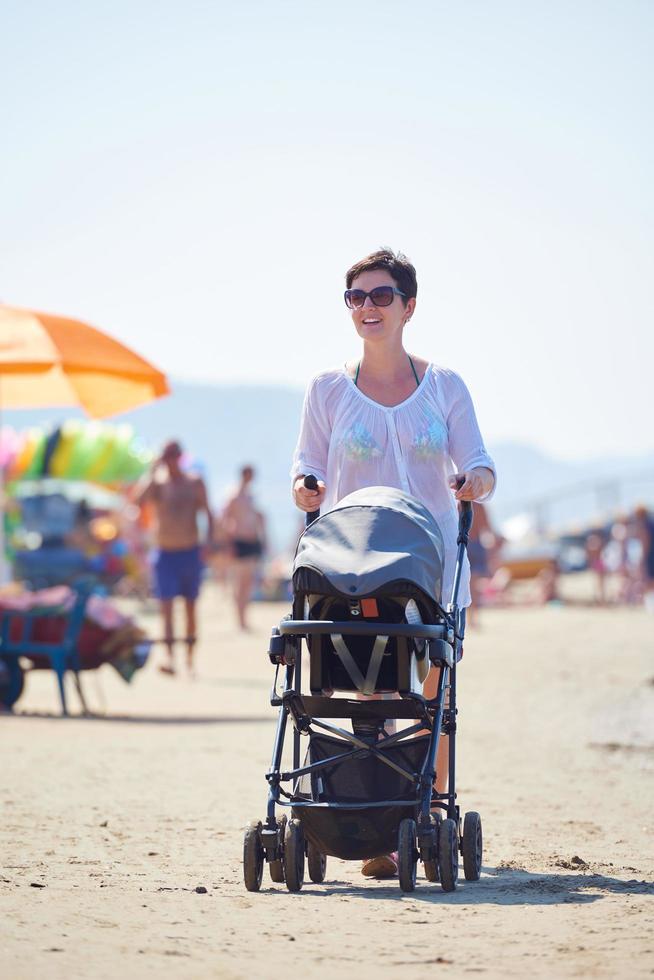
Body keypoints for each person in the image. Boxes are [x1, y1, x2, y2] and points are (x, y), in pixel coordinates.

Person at [291, 248, 496, 878]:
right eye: (356, 297)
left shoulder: (445, 386)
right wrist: (305, 487)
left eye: (381, 296)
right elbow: (308, 467)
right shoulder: (327, 388)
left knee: (430, 696)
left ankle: (425, 810)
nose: (367, 308)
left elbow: (482, 466)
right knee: (368, 694)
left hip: (430, 570)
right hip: (350, 567)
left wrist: (473, 482)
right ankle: (368, 821)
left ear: (409, 305)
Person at [135, 440, 213, 676]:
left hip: (189, 551)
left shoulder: (194, 482)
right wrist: (151, 470)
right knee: (166, 607)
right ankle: (169, 658)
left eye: (172, 456)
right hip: (165, 553)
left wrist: (209, 543)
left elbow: (208, 513)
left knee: (190, 607)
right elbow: (138, 500)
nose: (169, 462)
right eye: (165, 457)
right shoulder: (158, 484)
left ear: (179, 457)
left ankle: (189, 658)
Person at [223, 465, 267, 630]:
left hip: (251, 541)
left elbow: (255, 518)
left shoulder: (249, 496)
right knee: (240, 581)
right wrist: (229, 540)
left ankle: (244, 617)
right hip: (239, 541)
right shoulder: (234, 495)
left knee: (248, 582)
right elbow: (225, 519)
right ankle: (240, 618)